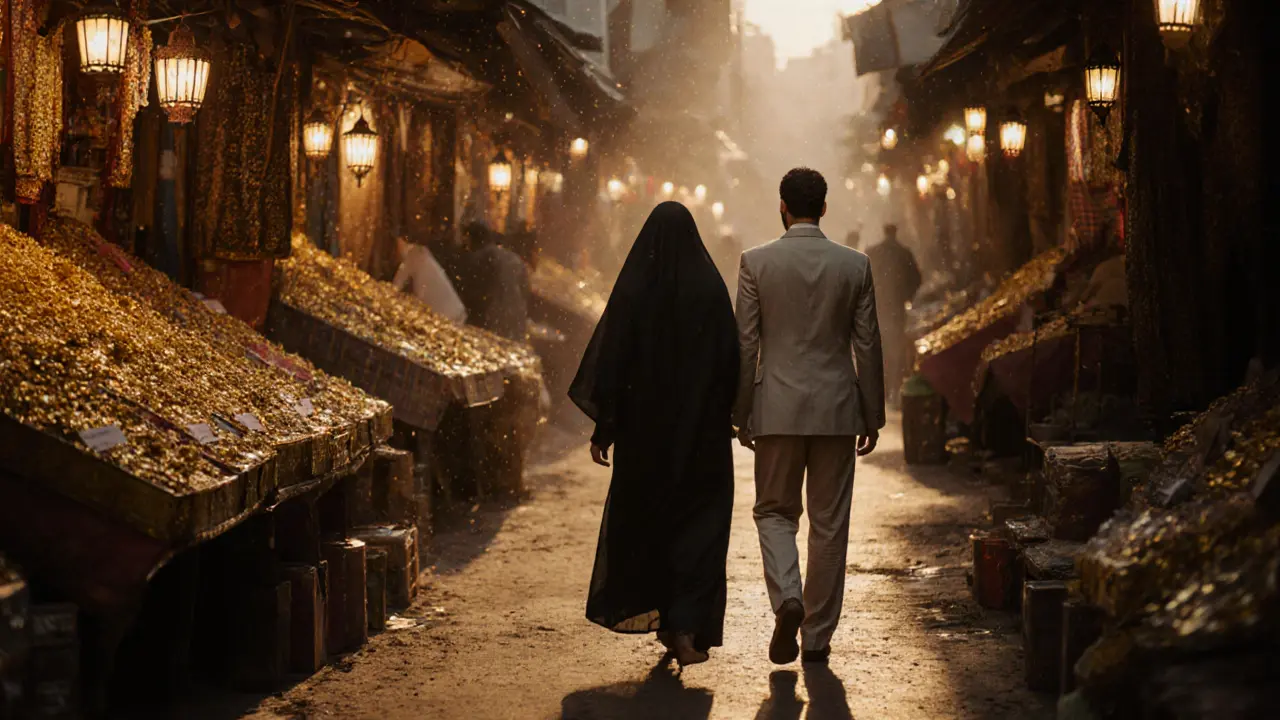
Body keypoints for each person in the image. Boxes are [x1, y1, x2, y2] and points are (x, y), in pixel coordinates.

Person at [569, 202, 740, 668]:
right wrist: (732, 414)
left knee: (650, 526)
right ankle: (683, 627)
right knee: (699, 529)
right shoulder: (709, 287)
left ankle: (669, 620)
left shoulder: (637, 290)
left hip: (646, 438)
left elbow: (611, 360)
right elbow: (732, 358)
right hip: (700, 437)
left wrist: (605, 428)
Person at [734, 167, 885, 666]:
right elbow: (867, 344)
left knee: (774, 512)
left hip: (775, 406)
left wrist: (740, 411)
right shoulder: (855, 266)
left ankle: (788, 597)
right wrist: (873, 413)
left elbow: (746, 343)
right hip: (838, 411)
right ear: (823, 208)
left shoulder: (756, 262)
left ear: (782, 206)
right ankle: (816, 637)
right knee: (829, 524)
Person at [865, 224, 922, 404]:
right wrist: (907, 297)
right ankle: (893, 387)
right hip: (896, 309)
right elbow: (917, 278)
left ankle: (881, 386)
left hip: (877, 307)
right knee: (895, 347)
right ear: (895, 232)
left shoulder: (873, 253)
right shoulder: (904, 254)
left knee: (879, 346)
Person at [460, 222, 531, 342]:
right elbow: (526, 292)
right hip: (516, 321)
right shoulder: (514, 259)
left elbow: (472, 294)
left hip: (492, 321)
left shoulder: (480, 257)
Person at [391, 236, 467, 324]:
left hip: (447, 317)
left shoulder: (413, 256)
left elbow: (395, 287)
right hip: (455, 311)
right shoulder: (421, 253)